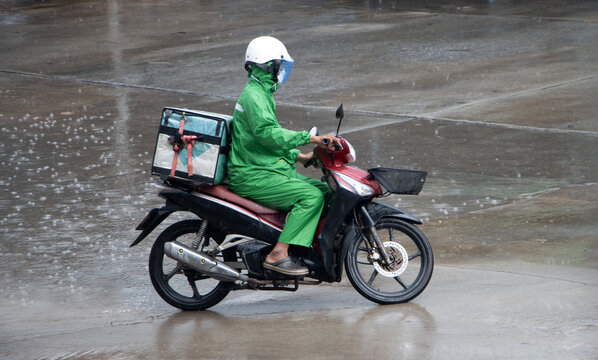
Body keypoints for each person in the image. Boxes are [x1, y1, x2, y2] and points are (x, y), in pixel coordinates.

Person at [227, 36, 341, 276]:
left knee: (328, 190)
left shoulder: (261, 92)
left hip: (266, 167)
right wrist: (312, 139)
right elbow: (269, 135)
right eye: (279, 65)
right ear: (269, 65)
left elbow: (263, 142)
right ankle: (278, 253)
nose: (282, 71)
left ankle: (307, 248)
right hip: (252, 174)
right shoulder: (254, 96)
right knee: (311, 197)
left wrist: (301, 157)